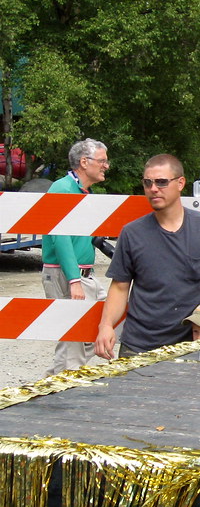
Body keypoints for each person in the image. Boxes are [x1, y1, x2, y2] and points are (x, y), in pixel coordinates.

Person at [95, 154, 200, 358]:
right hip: (138, 347)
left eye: (161, 182)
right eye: (148, 182)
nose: (153, 189)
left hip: (191, 347)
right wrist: (106, 325)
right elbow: (120, 287)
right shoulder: (131, 233)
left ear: (180, 183)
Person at [41, 138, 110, 375]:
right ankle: (53, 389)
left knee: (106, 320)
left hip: (83, 274)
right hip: (69, 275)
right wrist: (73, 279)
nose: (106, 166)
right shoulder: (62, 188)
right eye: (102, 161)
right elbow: (60, 237)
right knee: (72, 343)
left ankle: (56, 382)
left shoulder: (81, 191)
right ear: (84, 162)